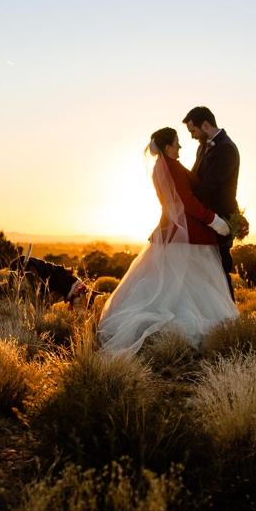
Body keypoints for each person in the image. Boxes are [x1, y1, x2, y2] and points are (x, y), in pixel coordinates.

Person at [96, 127, 239, 354]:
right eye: (177, 143)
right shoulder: (171, 167)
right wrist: (215, 221)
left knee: (176, 287)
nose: (180, 147)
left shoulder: (158, 168)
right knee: (192, 288)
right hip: (187, 237)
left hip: (168, 234)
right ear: (167, 147)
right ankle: (177, 334)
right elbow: (187, 202)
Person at [183, 106, 247, 296]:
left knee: (220, 270)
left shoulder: (226, 148)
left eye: (193, 131)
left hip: (221, 217)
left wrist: (186, 200)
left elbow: (210, 185)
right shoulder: (204, 146)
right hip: (206, 217)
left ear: (205, 125)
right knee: (206, 272)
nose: (193, 136)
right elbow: (196, 177)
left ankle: (230, 318)